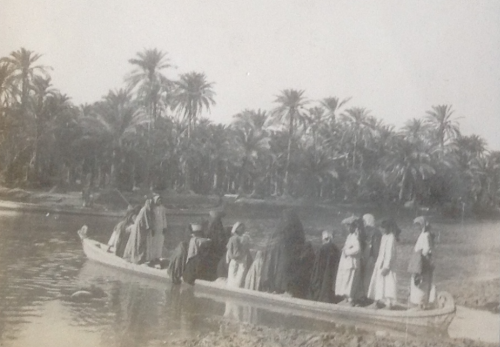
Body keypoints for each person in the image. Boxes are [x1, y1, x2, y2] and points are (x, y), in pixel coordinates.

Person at [260, 209, 306, 294]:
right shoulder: (296, 229)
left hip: (280, 260)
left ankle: (274, 288)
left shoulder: (277, 232)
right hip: (285, 261)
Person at [367, 219, 399, 309]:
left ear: (389, 228)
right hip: (380, 263)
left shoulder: (391, 238)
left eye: (384, 228)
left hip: (387, 265)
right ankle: (378, 301)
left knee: (388, 284)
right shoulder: (384, 237)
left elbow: (390, 253)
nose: (383, 230)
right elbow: (381, 251)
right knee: (379, 282)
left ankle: (389, 303)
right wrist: (378, 263)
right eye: (382, 228)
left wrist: (387, 266)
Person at [409, 216, 435, 309]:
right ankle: (420, 304)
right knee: (419, 284)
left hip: (422, 264)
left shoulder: (425, 235)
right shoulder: (424, 234)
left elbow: (427, 249)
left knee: (421, 284)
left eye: (418, 225)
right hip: (421, 263)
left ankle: (421, 305)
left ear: (422, 225)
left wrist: (420, 257)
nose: (417, 227)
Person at [335, 218, 363, 306]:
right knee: (346, 280)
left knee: (350, 281)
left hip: (352, 262)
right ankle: (346, 299)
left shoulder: (355, 236)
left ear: (353, 227)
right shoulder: (350, 236)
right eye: (347, 226)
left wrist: (347, 252)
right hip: (347, 262)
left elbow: (357, 249)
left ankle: (350, 300)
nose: (347, 228)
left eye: (349, 226)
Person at [308, 231, 341, 303]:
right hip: (332, 271)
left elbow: (317, 262)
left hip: (322, 270)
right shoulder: (336, 249)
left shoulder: (322, 248)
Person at [123, 199, 154, 264]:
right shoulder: (144, 210)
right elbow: (145, 220)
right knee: (139, 242)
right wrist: (149, 227)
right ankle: (137, 259)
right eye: (150, 204)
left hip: (141, 228)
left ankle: (137, 257)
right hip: (139, 228)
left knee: (139, 242)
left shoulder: (147, 210)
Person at [226, 222, 251, 288]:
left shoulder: (232, 238)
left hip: (234, 260)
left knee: (232, 276)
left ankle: (231, 288)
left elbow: (229, 250)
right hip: (241, 260)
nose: (243, 229)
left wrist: (232, 257)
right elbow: (246, 249)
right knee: (240, 277)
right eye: (242, 228)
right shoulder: (244, 238)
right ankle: (237, 287)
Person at [362, 214, 382, 298]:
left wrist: (375, 258)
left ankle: (368, 296)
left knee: (369, 277)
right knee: (366, 277)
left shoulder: (375, 232)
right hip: (367, 256)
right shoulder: (367, 231)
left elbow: (376, 247)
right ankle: (365, 295)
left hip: (371, 257)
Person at [148, 194, 168, 260]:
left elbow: (164, 218)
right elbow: (152, 219)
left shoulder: (162, 208)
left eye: (160, 200)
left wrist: (165, 227)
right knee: (153, 241)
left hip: (161, 227)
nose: (159, 201)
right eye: (158, 200)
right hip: (155, 227)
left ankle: (158, 256)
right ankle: (152, 256)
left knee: (160, 241)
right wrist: (152, 228)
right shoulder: (152, 208)